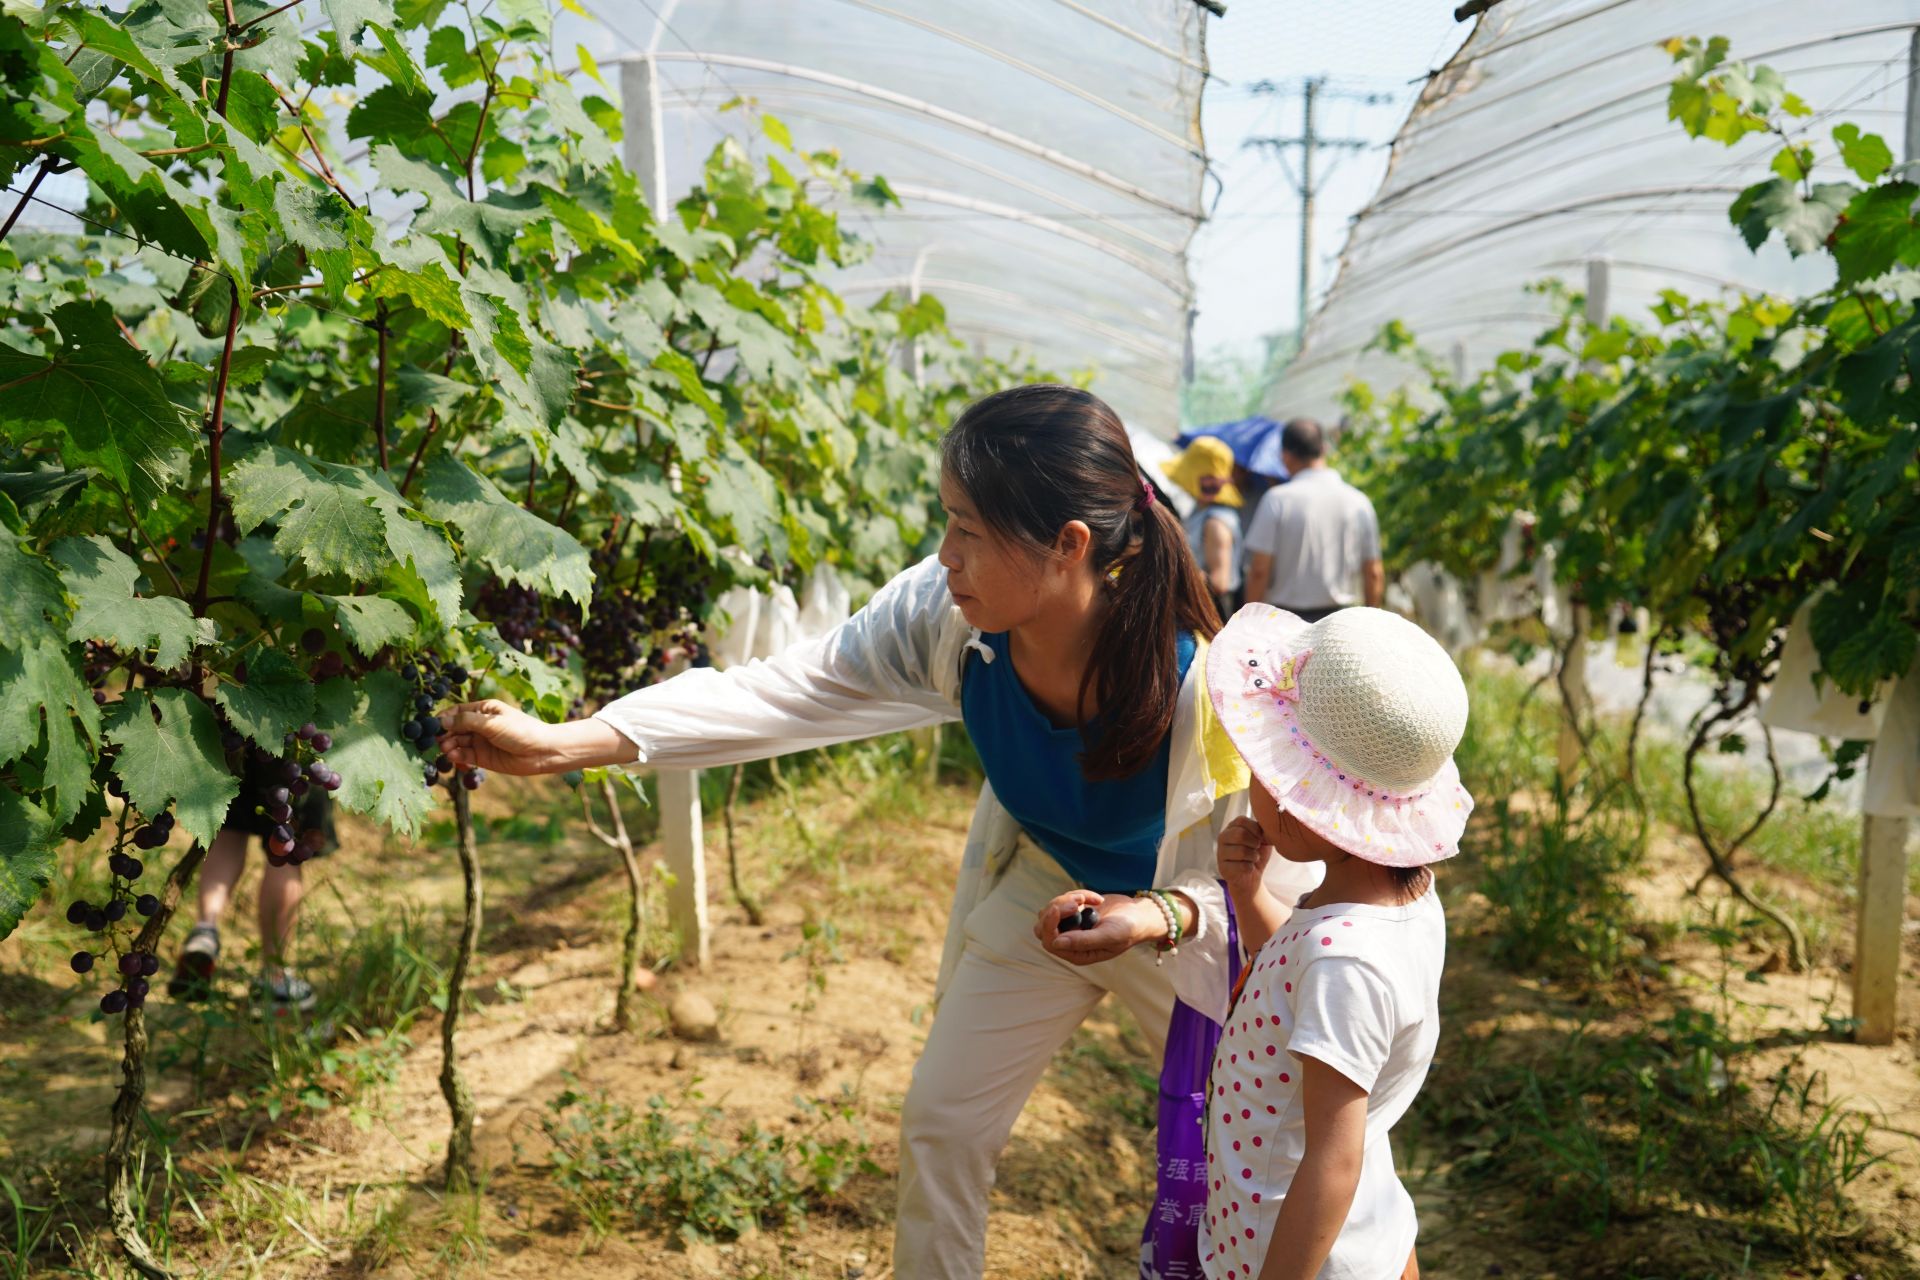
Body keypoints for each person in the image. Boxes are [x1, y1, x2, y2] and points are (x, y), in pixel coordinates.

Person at [435, 383, 1322, 1280]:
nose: (945, 555)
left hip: (1191, 918)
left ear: (1069, 544)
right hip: (1050, 893)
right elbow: (787, 691)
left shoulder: (1208, 685)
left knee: (1277, 1149)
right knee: (942, 1123)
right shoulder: (948, 624)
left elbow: (1277, 871)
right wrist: (564, 744)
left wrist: (1160, 917)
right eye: (947, 520)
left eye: (968, 529)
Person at [1200, 603, 1473, 1280]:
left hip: (1302, 1250)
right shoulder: (1397, 904)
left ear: (1304, 803)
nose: (1256, 783)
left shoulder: (1345, 957)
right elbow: (1296, 999)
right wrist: (1250, 897)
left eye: (1268, 769)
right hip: (1362, 1224)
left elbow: (1333, 1158)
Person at [168, 769, 336, 1012]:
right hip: (293, 742)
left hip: (239, 738)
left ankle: (205, 931)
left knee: (230, 827)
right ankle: (274, 978)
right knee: (286, 843)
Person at [1242, 419, 1384, 621]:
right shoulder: (1358, 502)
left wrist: (1249, 623)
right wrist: (1373, 621)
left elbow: (1259, 570)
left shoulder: (1277, 500)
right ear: (1324, 449)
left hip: (1287, 621)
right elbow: (1374, 572)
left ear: (1285, 456)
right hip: (1341, 620)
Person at [1161, 435, 1246, 622]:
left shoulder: (1215, 522)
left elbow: (1220, 582)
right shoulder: (1201, 511)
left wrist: (1175, 575)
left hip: (1211, 613)